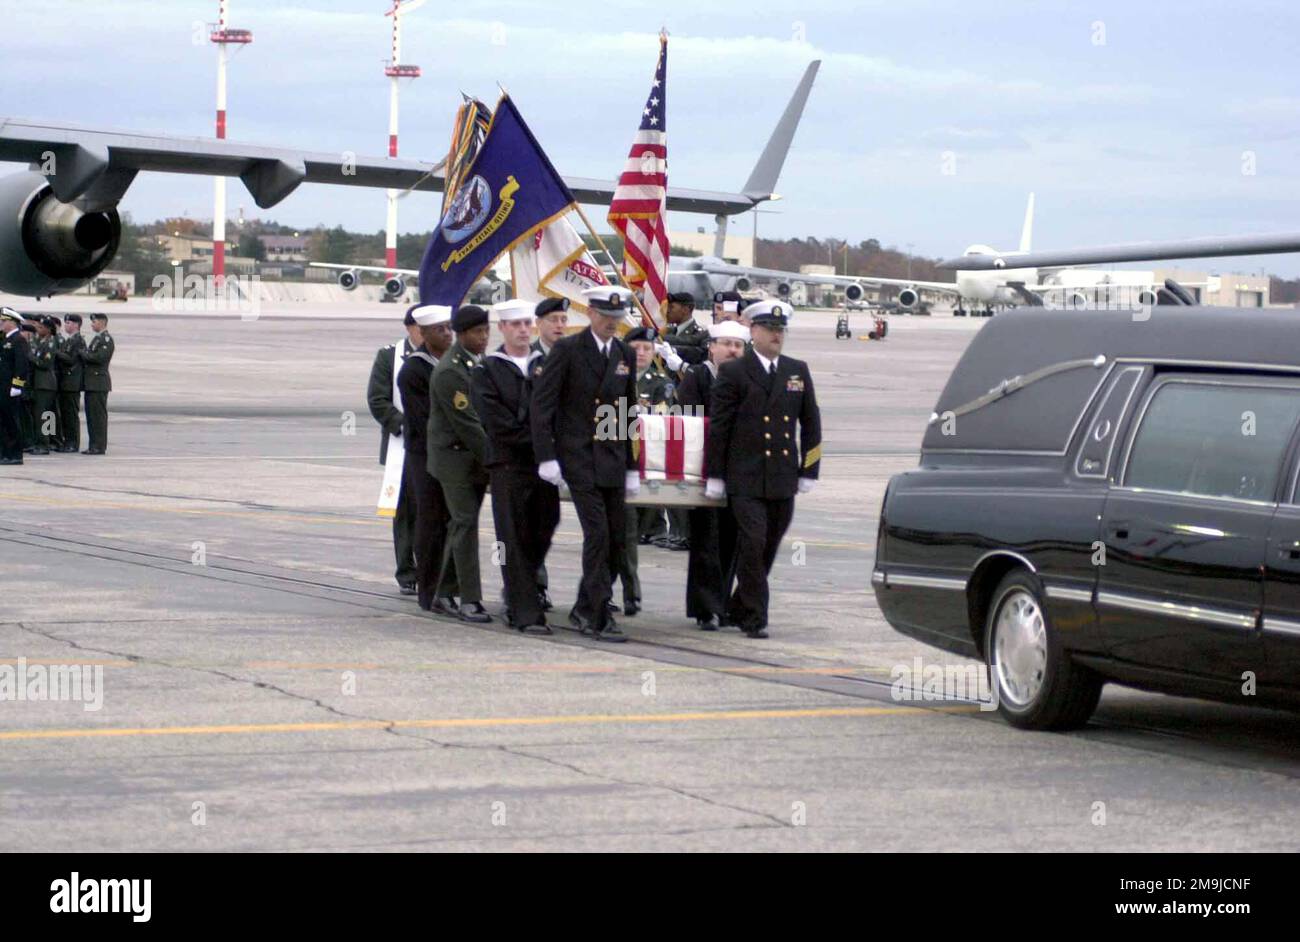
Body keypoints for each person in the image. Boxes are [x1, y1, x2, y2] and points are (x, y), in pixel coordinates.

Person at [705, 300, 822, 638]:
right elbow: (721, 428)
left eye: (780, 330)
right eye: (770, 329)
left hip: (782, 475)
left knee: (769, 545)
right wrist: (716, 474)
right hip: (745, 476)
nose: (776, 335)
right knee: (753, 542)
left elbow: (811, 423)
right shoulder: (734, 372)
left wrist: (809, 470)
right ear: (752, 331)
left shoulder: (796, 370)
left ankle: (739, 604)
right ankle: (755, 617)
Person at [531, 286, 640, 642]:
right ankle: (597, 614)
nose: (612, 323)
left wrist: (630, 463)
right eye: (606, 317)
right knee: (598, 534)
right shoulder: (568, 350)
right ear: (590, 314)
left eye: (617, 318)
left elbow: (626, 409)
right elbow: (543, 405)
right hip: (577, 456)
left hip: (610, 459)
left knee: (617, 539)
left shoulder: (624, 353)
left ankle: (583, 605)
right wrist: (547, 456)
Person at [473, 299, 559, 633]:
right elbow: (494, 420)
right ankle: (526, 613)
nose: (524, 330)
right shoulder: (487, 369)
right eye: (516, 324)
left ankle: (517, 589)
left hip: (543, 465)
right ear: (503, 328)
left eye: (527, 323)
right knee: (512, 537)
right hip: (508, 464)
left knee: (545, 526)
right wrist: (537, 437)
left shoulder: (546, 365)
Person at [677, 320, 748, 629]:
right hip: (703, 469)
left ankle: (723, 603)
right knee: (706, 541)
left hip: (739, 471)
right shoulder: (697, 376)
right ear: (712, 346)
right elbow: (690, 423)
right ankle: (705, 608)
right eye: (727, 344)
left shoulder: (748, 378)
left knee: (733, 540)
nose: (732, 350)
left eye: (738, 345)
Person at [428, 304, 492, 624]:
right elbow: (467, 423)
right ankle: (470, 599)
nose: (484, 337)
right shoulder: (452, 370)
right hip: (454, 459)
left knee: (460, 525)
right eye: (478, 332)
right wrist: (494, 459)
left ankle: (443, 592)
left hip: (471, 457)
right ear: (461, 334)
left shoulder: (474, 363)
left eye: (486, 331)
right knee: (465, 523)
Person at [396, 303, 457, 614]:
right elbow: (424, 421)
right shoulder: (414, 370)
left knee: (455, 522)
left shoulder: (459, 363)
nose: (448, 334)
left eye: (449, 328)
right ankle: (431, 588)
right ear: (423, 334)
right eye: (440, 329)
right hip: (428, 457)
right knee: (432, 521)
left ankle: (451, 588)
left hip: (458, 457)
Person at [367, 311, 422, 594]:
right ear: (409, 328)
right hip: (401, 444)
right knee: (404, 513)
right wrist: (405, 426)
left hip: (433, 447)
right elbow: (377, 399)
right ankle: (407, 570)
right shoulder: (389, 356)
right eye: (420, 328)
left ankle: (430, 568)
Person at [80, 312, 114, 455]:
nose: (92, 324)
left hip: (99, 382)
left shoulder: (106, 340)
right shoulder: (96, 339)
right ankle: (93, 444)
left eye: (94, 322)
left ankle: (99, 446)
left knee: (98, 417)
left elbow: (100, 357)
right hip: (91, 383)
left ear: (102, 322)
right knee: (91, 416)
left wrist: (83, 354)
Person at [0, 308, 29, 465]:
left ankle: (15, 455)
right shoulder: (6, 339)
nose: (1, 323)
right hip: (2, 387)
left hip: (11, 388)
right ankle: (5, 453)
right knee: (3, 421)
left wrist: (17, 385)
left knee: (12, 421)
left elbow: (21, 365)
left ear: (11, 322)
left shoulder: (19, 340)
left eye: (3, 321)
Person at [27, 316, 57, 456]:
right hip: (40, 383)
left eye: (40, 327)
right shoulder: (42, 342)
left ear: (48, 329)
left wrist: (31, 357)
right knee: (41, 415)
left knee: (44, 415)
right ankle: (42, 442)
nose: (38, 330)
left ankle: (44, 445)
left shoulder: (50, 343)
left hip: (45, 384)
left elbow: (45, 364)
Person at [54, 314, 85, 453]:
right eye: (65, 323)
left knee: (71, 415)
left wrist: (55, 353)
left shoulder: (78, 341)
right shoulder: (69, 340)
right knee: (65, 414)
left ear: (76, 325)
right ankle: (68, 441)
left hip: (72, 383)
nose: (66, 325)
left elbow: (71, 359)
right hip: (65, 383)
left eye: (68, 323)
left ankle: (73, 443)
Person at [661, 292, 709, 365]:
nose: (667, 311)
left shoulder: (699, 335)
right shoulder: (668, 331)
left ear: (685, 310)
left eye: (671, 307)